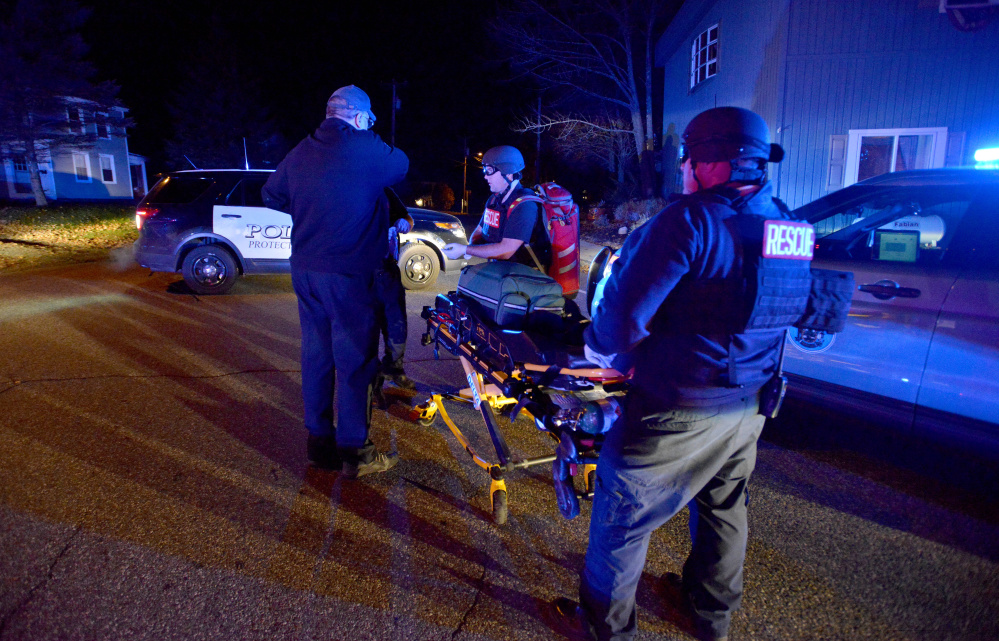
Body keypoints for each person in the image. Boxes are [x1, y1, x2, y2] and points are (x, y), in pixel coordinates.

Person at [553, 107, 811, 641]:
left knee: (622, 518)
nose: (686, 169)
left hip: (674, 409)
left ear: (710, 162)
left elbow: (619, 322)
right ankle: (709, 615)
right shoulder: (788, 223)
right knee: (724, 508)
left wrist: (600, 357)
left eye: (690, 159)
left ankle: (604, 628)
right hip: (748, 407)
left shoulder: (688, 221)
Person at [262, 85, 409, 479]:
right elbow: (401, 165)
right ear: (360, 118)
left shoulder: (302, 151)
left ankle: (319, 443)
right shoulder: (364, 148)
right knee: (356, 361)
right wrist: (365, 134)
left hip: (307, 271)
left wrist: (315, 206)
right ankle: (356, 451)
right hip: (348, 274)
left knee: (316, 355)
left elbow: (271, 195)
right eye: (368, 120)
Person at [441, 145, 550, 270]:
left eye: (489, 170)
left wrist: (465, 249)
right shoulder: (494, 200)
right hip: (502, 273)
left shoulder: (525, 205)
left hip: (526, 278)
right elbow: (480, 230)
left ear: (508, 173)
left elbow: (506, 250)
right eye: (484, 171)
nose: (485, 176)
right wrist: (469, 249)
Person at [375, 187, 416, 392]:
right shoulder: (347, 186)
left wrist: (405, 223)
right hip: (359, 271)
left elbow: (407, 217)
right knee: (366, 326)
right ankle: (369, 378)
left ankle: (394, 369)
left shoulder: (385, 190)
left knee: (396, 322)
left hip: (388, 267)